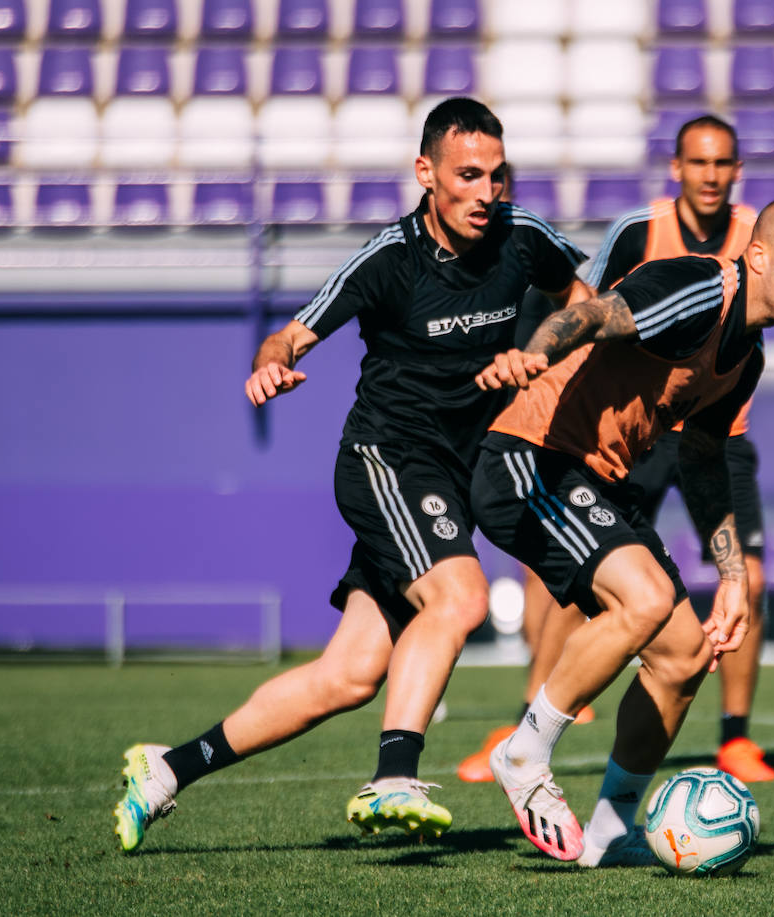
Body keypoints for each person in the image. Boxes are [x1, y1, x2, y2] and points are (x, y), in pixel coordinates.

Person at [112, 97, 592, 852]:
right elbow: (289, 333)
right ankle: (394, 774)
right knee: (461, 596)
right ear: (425, 173)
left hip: (452, 478)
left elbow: (584, 305)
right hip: (386, 459)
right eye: (468, 175)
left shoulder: (524, 237)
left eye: (497, 176)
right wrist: (272, 367)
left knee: (349, 674)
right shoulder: (387, 259)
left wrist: (540, 352)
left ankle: (165, 771)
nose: (486, 192)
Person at [456, 115, 774, 786]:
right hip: (533, 455)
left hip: (601, 480)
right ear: (760, 255)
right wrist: (534, 353)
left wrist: (733, 577)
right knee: (646, 598)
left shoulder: (745, 357)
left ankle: (614, 830)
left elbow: (702, 460)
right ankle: (525, 747)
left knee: (685, 655)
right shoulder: (695, 285)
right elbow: (593, 312)